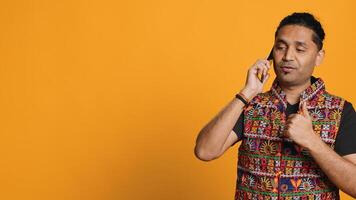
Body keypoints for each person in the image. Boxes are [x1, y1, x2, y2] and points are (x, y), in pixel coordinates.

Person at [194, 12, 356, 199]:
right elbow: (205, 151)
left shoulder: (340, 110)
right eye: (280, 47)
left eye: (300, 49)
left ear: (319, 56)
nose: (287, 56)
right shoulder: (251, 105)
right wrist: (247, 92)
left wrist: (312, 142)